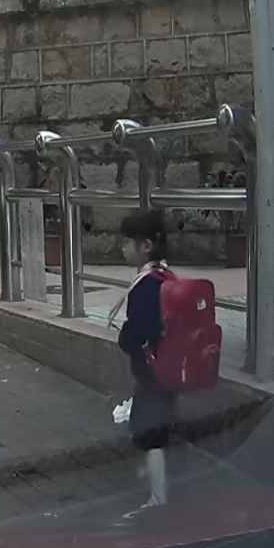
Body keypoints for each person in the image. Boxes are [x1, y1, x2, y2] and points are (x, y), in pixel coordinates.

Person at [111, 210, 174, 511]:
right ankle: (157, 494)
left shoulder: (146, 284)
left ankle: (158, 498)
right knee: (154, 431)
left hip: (153, 373)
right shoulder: (165, 275)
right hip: (170, 368)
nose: (122, 248)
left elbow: (142, 329)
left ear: (145, 246)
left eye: (127, 242)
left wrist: (126, 338)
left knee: (151, 436)